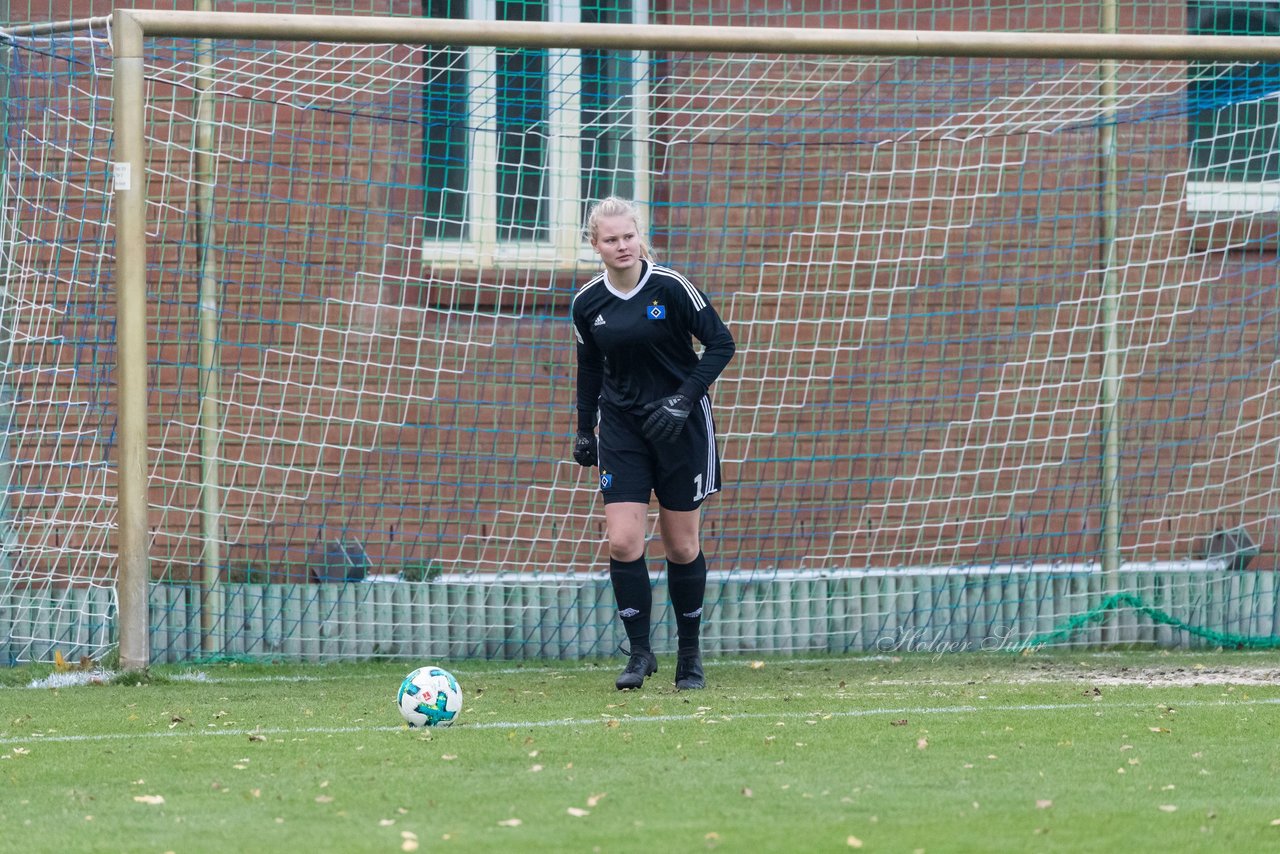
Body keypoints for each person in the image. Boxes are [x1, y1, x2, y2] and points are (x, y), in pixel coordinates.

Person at [570, 197, 736, 691]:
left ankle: (689, 655)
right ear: (594, 245)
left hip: (680, 424)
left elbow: (721, 343)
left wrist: (684, 400)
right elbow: (589, 369)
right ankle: (640, 653)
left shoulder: (672, 286)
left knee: (681, 545)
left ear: (639, 237)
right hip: (622, 426)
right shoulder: (587, 303)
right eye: (610, 239)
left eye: (628, 236)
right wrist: (584, 428)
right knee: (622, 540)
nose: (621, 246)